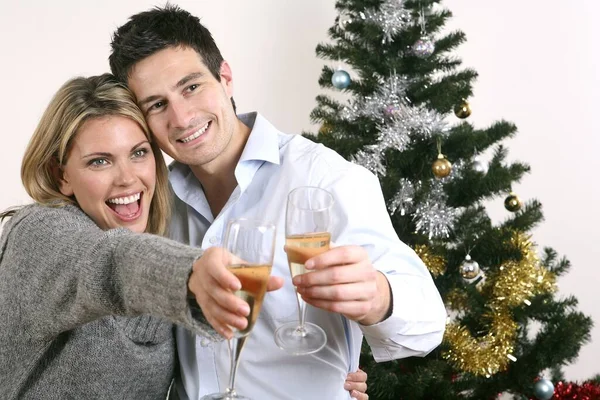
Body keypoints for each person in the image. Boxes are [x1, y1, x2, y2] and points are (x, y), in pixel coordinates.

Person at [109, 5, 447, 400]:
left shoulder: (323, 178)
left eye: (191, 87)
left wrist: (379, 296)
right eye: (157, 104)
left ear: (225, 78)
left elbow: (427, 325)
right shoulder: (153, 201)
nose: (182, 118)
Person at [0, 74, 368, 400]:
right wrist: (191, 276)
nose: (128, 178)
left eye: (139, 153)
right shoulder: (38, 234)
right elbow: (110, 262)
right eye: (100, 161)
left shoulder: (168, 229)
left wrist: (328, 380)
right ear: (60, 174)